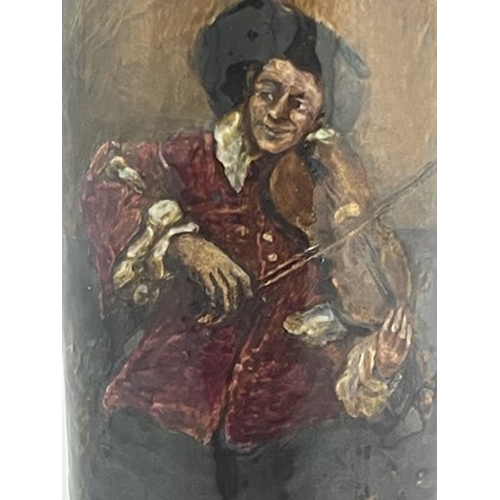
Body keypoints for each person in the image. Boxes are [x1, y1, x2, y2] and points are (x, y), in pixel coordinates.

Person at [81, 1, 418, 498]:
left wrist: (380, 361)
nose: (278, 113)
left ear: (318, 117)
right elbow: (108, 180)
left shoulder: (328, 195)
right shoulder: (195, 157)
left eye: (298, 103)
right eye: (268, 91)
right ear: (247, 89)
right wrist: (183, 244)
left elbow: (347, 335)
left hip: (284, 438)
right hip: (162, 413)